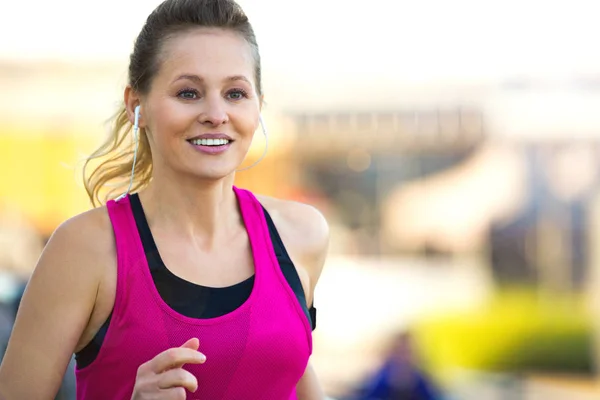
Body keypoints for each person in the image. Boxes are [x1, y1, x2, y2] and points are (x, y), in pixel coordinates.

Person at [0, 0, 329, 398]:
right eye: (189, 93)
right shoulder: (84, 250)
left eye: (235, 93)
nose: (215, 113)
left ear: (258, 104)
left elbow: (288, 373)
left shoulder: (302, 235)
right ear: (137, 106)